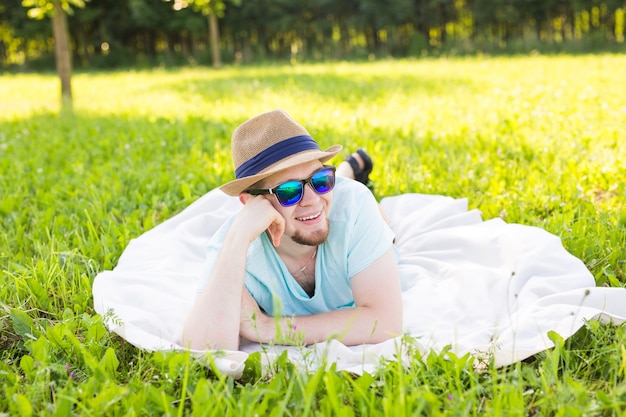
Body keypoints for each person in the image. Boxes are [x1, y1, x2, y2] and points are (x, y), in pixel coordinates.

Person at [181, 109, 403, 351]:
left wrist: (267, 327)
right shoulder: (235, 245)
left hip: (367, 223)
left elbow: (386, 322)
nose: (312, 199)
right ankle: (346, 168)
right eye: (289, 191)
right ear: (250, 203)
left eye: (322, 179)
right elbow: (206, 350)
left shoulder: (353, 203)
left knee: (377, 217)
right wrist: (237, 240)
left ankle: (349, 170)